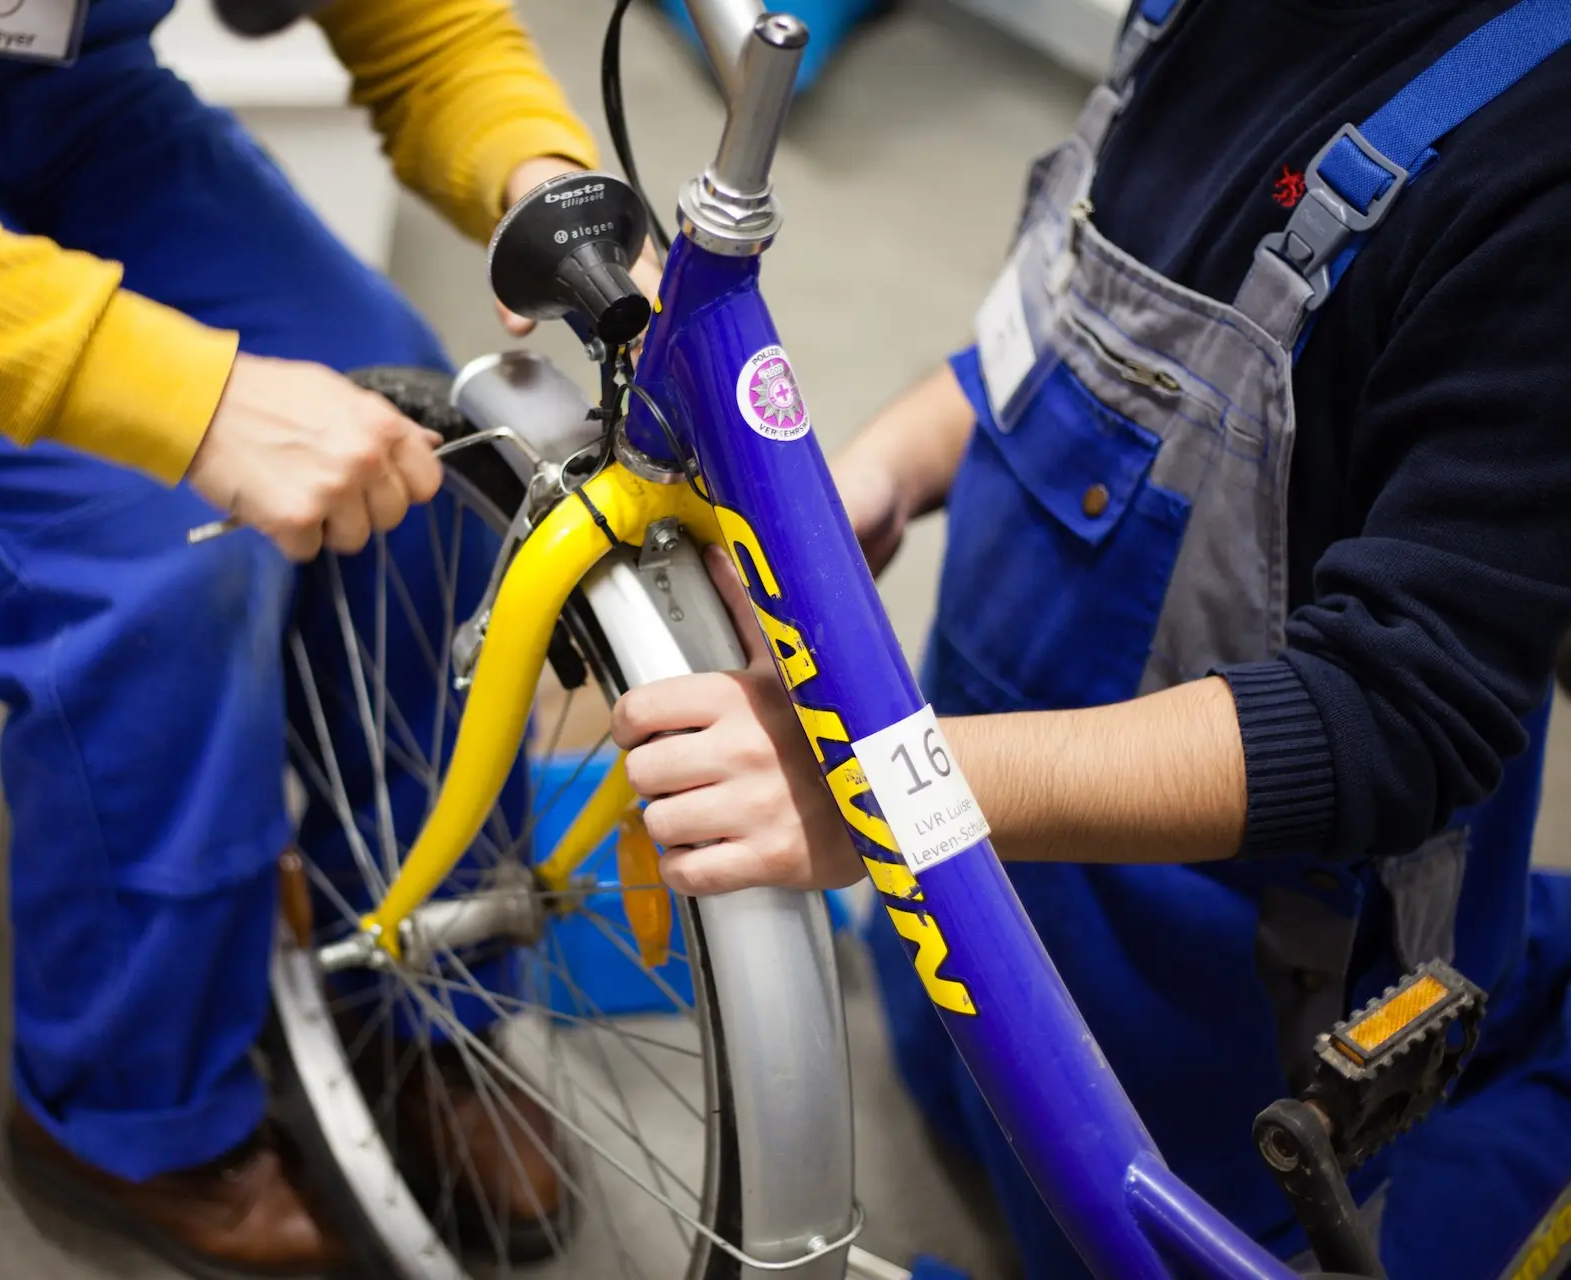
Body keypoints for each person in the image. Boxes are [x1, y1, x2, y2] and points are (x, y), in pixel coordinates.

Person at [0, 1, 654, 1274]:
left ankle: (424, 988)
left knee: (422, 448)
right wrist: (191, 400)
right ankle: (128, 1112)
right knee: (159, 557)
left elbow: (419, 24)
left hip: (71, 106)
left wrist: (545, 182)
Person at [612, 1, 1571, 1277]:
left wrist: (901, 788)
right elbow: (1056, 341)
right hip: (983, 927)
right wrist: (882, 471)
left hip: (1229, 1060)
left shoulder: (1536, 172)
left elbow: (1397, 712)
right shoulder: (1186, 19)